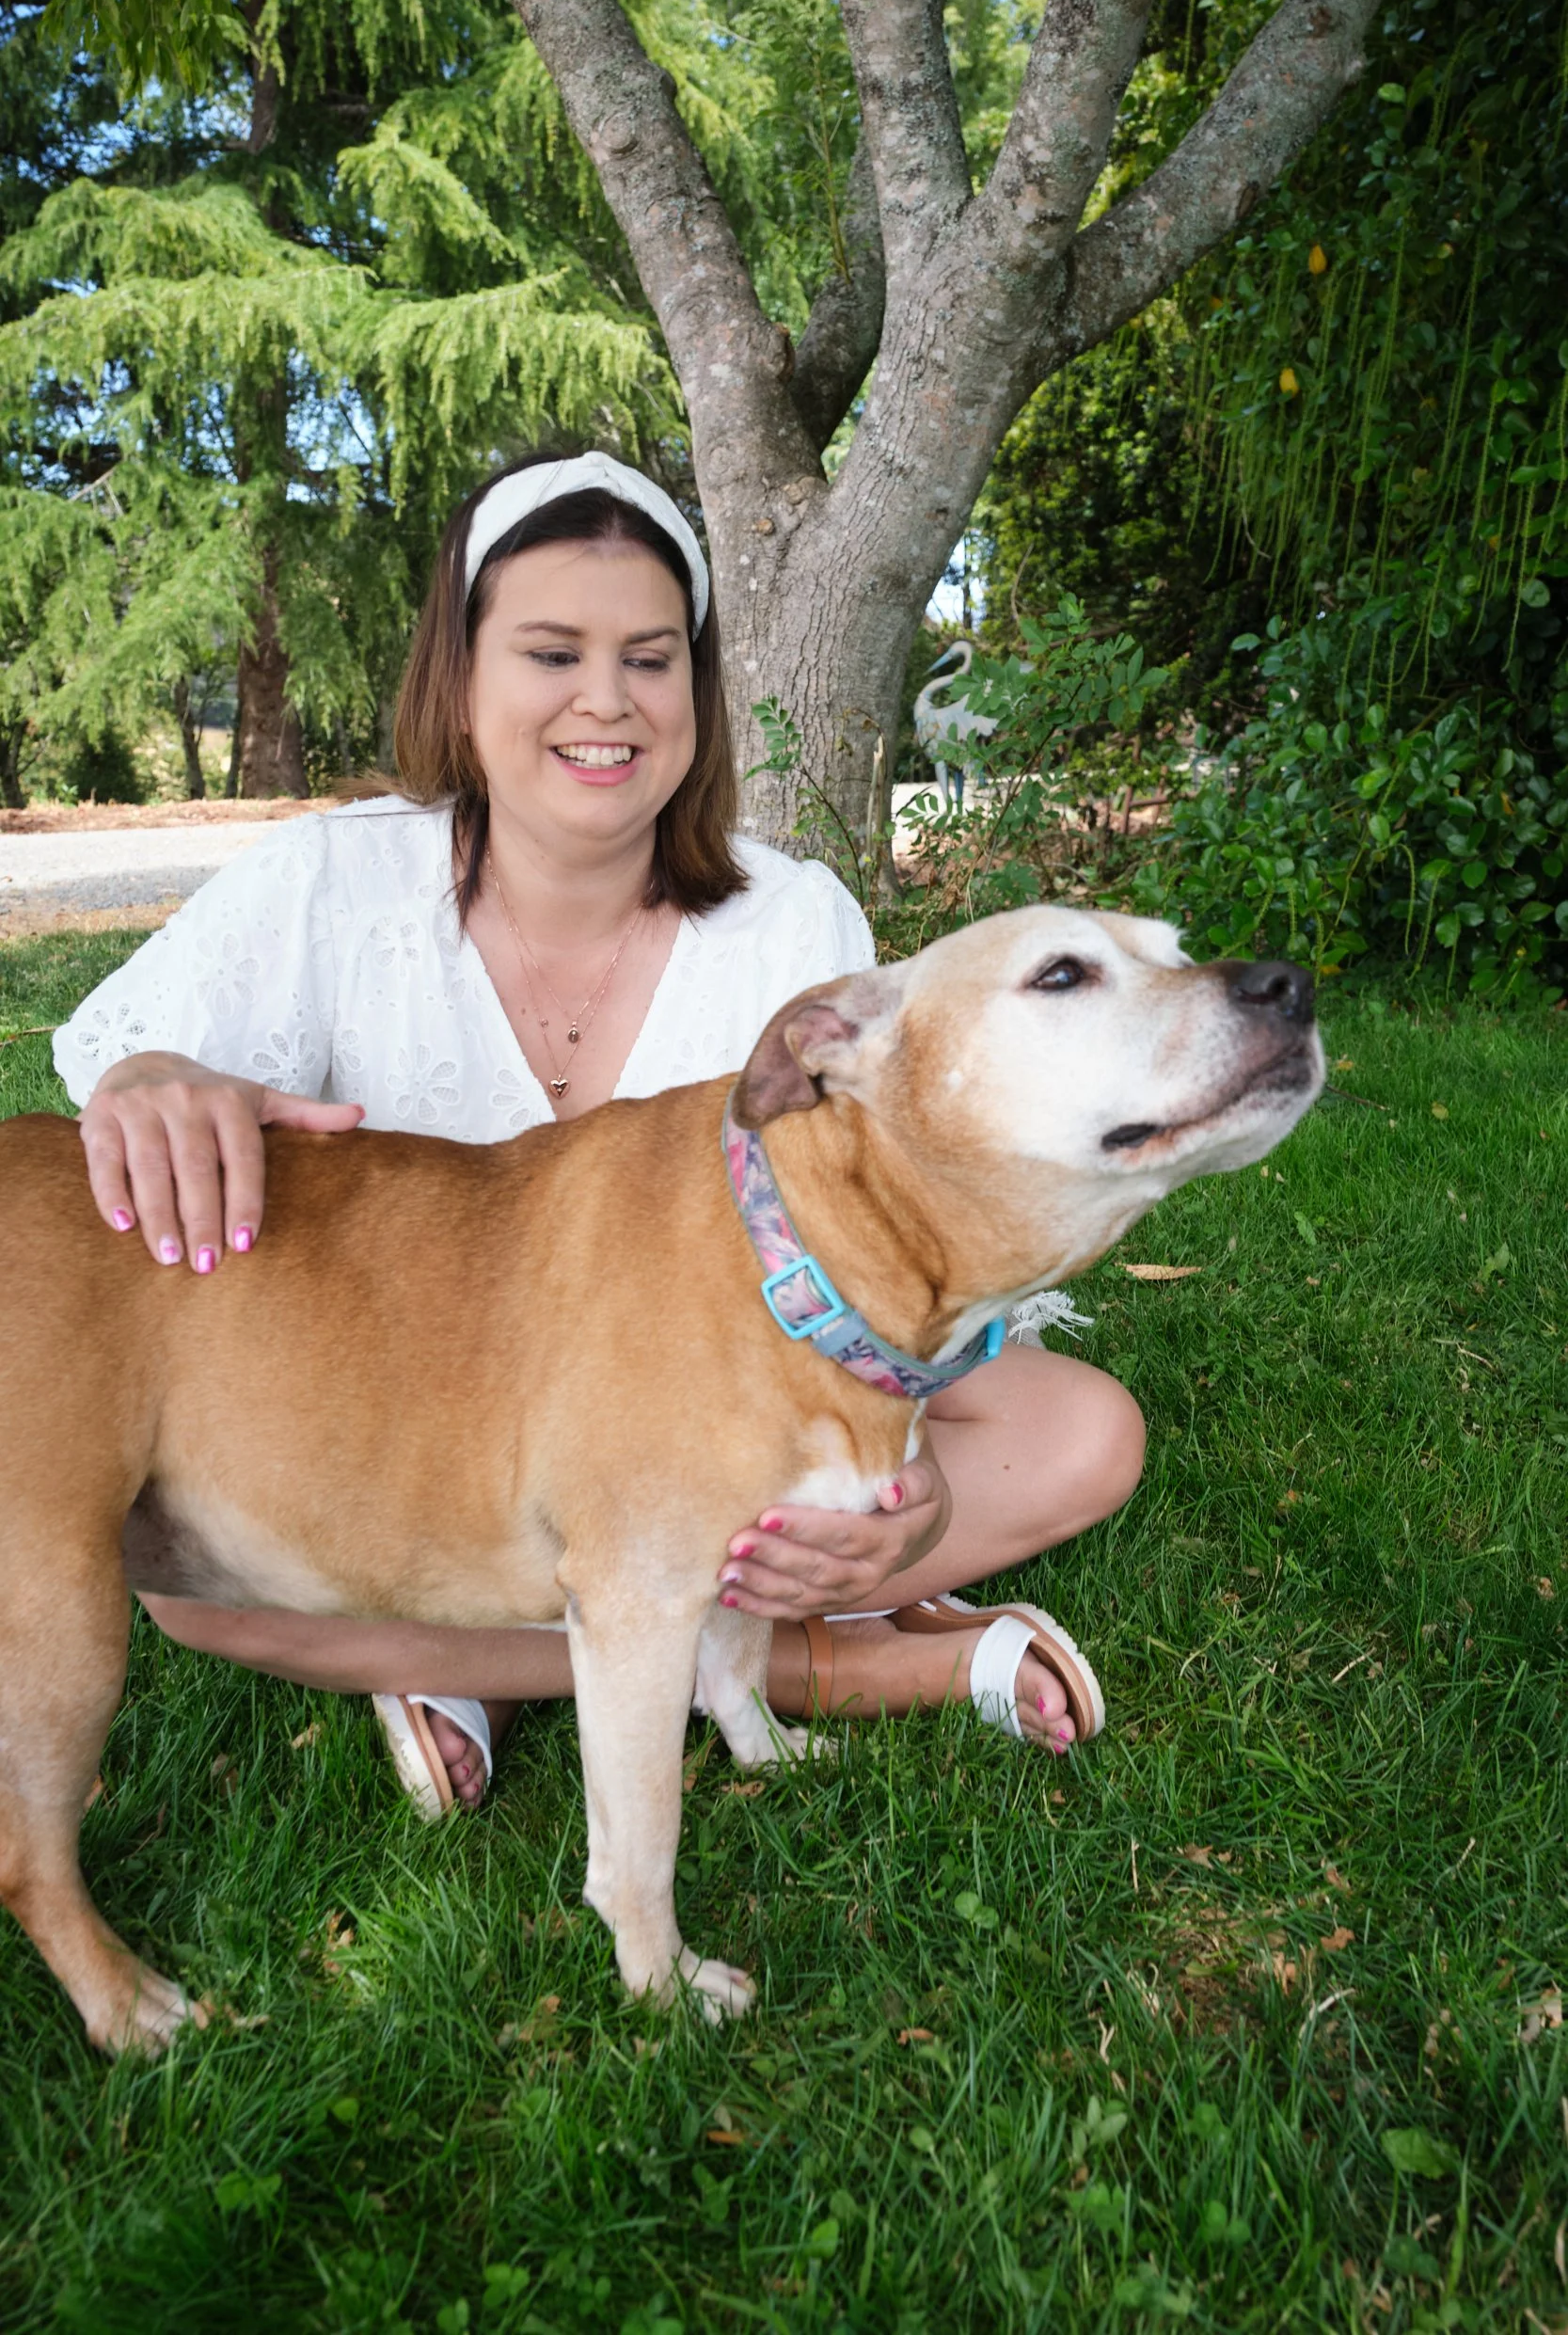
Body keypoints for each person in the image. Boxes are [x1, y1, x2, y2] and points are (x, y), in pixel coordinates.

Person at [53, 452, 1145, 1817]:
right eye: (551, 651)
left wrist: (902, 1514)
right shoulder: (323, 881)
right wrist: (156, 1072)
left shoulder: (792, 926)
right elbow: (118, 1072)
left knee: (1080, 1430)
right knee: (196, 1594)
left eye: (648, 658)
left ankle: (494, 1658)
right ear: (459, 676)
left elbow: (894, 1264)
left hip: (712, 1420)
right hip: (404, 1430)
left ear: (695, 692)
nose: (605, 701)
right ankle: (811, 1671)